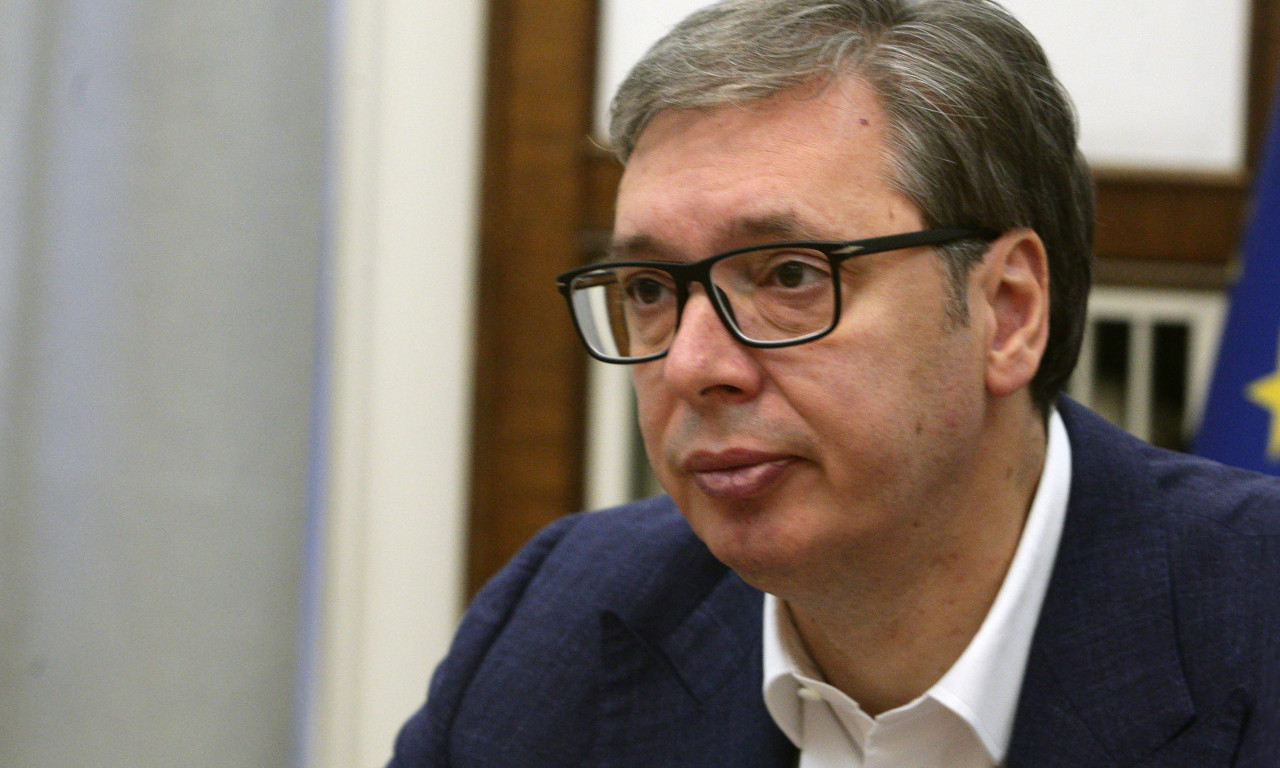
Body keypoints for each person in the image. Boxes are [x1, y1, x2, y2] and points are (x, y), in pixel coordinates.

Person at [389, 0, 1280, 765]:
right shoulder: (558, 627)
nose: (692, 366)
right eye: (651, 291)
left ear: (1007, 312)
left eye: (788, 276)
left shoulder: (1254, 622)